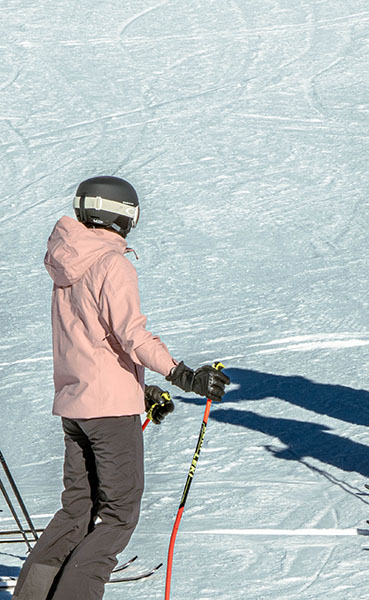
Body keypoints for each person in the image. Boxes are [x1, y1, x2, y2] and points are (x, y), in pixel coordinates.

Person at [13, 176, 230, 600]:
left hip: (76, 406)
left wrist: (140, 390)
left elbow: (92, 338)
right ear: (122, 216)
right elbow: (132, 335)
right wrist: (182, 374)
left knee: (76, 511)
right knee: (117, 515)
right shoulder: (112, 263)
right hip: (109, 413)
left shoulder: (67, 261)